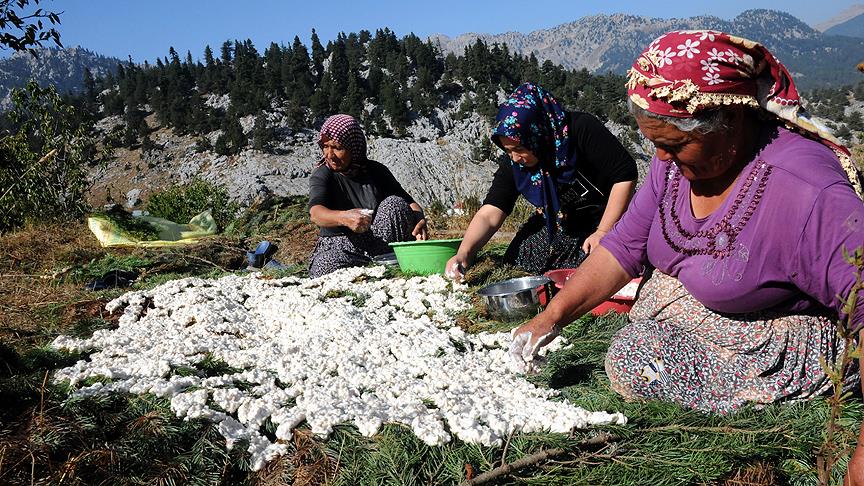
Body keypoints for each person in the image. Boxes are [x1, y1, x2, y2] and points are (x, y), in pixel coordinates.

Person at [508, 30, 864, 481]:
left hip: (781, 343)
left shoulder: (805, 187)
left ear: (730, 121)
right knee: (641, 338)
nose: (661, 157)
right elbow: (623, 247)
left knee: (635, 357)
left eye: (675, 144)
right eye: (654, 143)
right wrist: (551, 317)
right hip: (701, 319)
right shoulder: (672, 167)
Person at [445, 83, 638, 279]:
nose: (514, 158)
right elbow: (491, 211)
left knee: (598, 264)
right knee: (518, 260)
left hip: (612, 215)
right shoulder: (515, 161)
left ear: (537, 136)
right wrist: (464, 253)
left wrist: (603, 231)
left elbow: (624, 175)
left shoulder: (581, 130)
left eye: (520, 149)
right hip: (566, 222)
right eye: (508, 150)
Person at [308, 114, 427, 278]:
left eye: (337, 148)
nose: (329, 155)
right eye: (325, 146)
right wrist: (344, 218)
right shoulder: (323, 174)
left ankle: (386, 262)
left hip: (378, 241)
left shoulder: (376, 171)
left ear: (353, 148)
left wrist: (420, 218)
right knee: (324, 268)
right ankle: (378, 267)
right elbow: (316, 214)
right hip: (341, 245)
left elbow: (409, 203)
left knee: (395, 204)